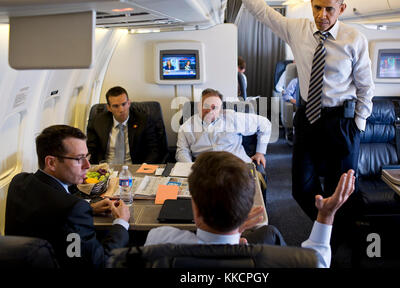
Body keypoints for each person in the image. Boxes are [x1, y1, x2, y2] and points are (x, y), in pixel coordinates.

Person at [232, 0, 374, 226]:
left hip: (342, 121)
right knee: (300, 188)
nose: (322, 15)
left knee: (341, 191)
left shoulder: (355, 39)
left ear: (341, 9)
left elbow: (366, 87)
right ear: (311, 4)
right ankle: (324, 223)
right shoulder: (297, 29)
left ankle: (335, 240)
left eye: (329, 9)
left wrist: (358, 125)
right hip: (308, 117)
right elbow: (261, 11)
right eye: (318, 7)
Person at [145, 151, 356, 268]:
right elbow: (318, 261)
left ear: (195, 209)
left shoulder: (158, 240)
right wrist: (326, 215)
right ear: (247, 210)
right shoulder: (281, 262)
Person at [4, 125, 130, 268]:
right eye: (79, 159)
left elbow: (50, 215)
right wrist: (121, 223)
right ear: (51, 162)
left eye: (87, 157)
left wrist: (89, 208)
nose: (87, 165)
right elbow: (98, 262)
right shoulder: (74, 209)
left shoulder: (19, 181)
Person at [176, 88, 270, 168]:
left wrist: (260, 152)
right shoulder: (186, 127)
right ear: (199, 106)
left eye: (214, 107)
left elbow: (265, 124)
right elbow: (182, 151)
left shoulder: (232, 118)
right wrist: (188, 169)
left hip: (238, 167)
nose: (209, 111)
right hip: (206, 171)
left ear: (220, 109)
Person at [87, 86, 164, 164]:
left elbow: (154, 151)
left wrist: (144, 168)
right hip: (106, 169)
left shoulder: (143, 121)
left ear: (129, 103)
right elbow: (91, 150)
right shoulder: (97, 122)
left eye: (124, 104)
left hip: (134, 168)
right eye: (116, 106)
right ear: (109, 108)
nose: (121, 110)